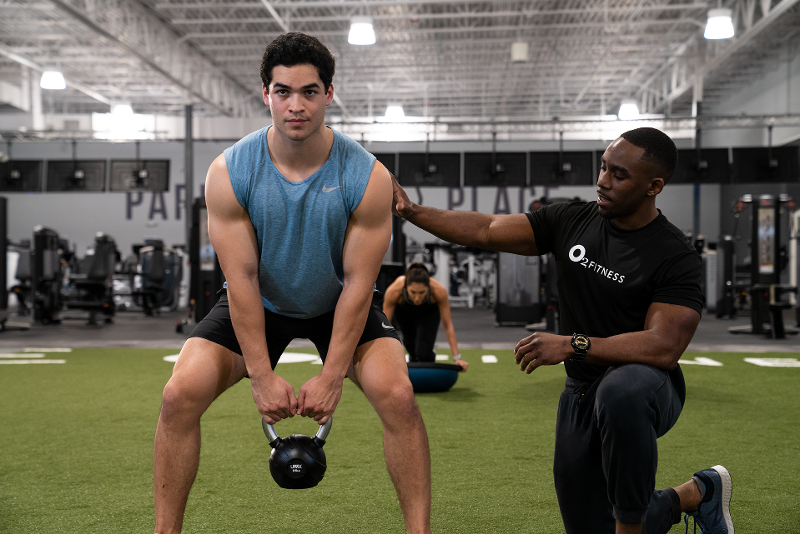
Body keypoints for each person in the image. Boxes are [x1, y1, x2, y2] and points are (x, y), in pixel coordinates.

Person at [390, 127, 733, 534]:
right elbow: (486, 228)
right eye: (603, 167)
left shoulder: (674, 255)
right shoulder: (572, 219)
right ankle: (696, 493)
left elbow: (662, 346)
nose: (603, 180)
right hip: (582, 390)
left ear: (654, 186)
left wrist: (573, 344)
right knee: (590, 526)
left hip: (648, 386)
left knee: (620, 392)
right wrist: (411, 211)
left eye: (619, 175)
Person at [153, 32, 431, 534]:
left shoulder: (366, 175)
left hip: (337, 302)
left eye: (309, 91)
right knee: (179, 395)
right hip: (260, 302)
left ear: (329, 93)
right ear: (266, 94)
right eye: (283, 92)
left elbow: (357, 283)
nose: (295, 105)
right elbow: (239, 277)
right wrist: (260, 375)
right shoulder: (230, 171)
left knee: (399, 396)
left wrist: (332, 375)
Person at [383, 262, 468, 371]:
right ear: (406, 287)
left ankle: (428, 359)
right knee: (410, 345)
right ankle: (414, 359)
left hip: (429, 313)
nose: (417, 298)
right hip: (404, 313)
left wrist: (457, 358)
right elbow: (384, 327)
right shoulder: (394, 291)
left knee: (423, 353)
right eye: (413, 292)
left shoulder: (438, 291)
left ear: (428, 287)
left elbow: (447, 325)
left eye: (422, 292)